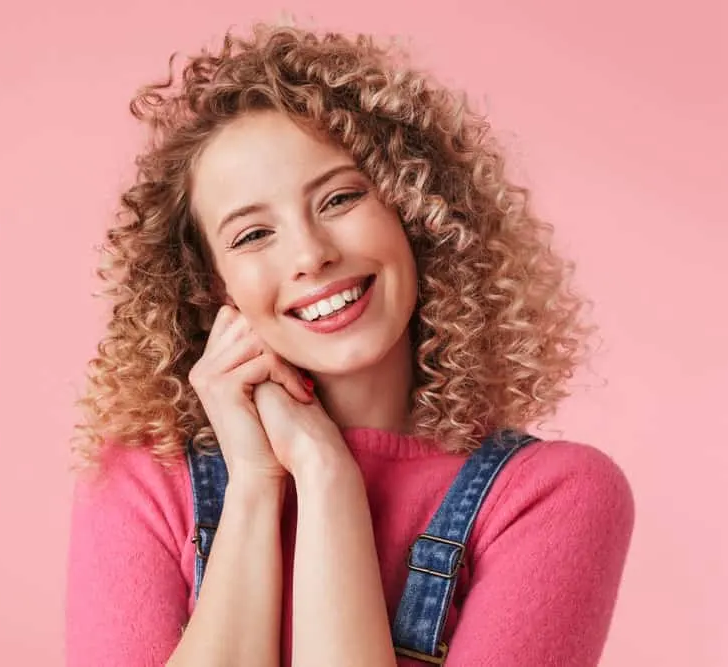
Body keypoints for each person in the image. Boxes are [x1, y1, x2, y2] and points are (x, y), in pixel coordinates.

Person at [66, 22, 635, 667]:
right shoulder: (145, 485)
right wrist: (257, 483)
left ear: (418, 214)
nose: (311, 254)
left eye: (339, 198)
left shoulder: (548, 496)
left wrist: (326, 474)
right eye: (253, 235)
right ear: (209, 287)